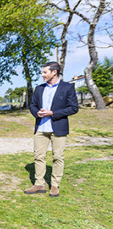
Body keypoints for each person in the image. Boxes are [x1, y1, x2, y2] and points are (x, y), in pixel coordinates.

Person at [24, 61, 79, 197]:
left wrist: (53, 113)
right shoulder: (39, 88)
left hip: (58, 127)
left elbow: (73, 108)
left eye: (45, 72)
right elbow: (32, 105)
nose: (42, 75)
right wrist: (37, 113)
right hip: (41, 128)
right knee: (38, 156)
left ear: (54, 72)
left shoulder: (67, 88)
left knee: (58, 157)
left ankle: (54, 185)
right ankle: (39, 184)